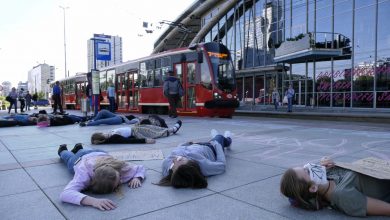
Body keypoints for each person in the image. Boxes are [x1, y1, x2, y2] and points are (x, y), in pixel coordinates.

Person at [280, 157, 390, 217]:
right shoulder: (343, 195)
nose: (309, 165)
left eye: (304, 166)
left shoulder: (327, 175)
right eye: (307, 171)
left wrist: (332, 164)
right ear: (313, 188)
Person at [57, 143, 145, 211]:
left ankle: (78, 148)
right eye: (119, 181)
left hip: (99, 153)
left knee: (80, 152)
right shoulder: (83, 174)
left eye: (119, 178)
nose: (121, 180)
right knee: (68, 157)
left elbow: (140, 167)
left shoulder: (119, 167)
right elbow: (65, 194)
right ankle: (62, 150)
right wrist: (93, 201)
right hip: (79, 158)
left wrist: (137, 177)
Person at [157, 129, 232, 188]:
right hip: (210, 147)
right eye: (181, 160)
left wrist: (186, 144)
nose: (176, 158)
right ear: (192, 163)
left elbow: (176, 151)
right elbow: (222, 165)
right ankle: (228, 139)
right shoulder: (204, 165)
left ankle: (217, 137)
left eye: (173, 164)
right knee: (220, 137)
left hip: (193, 145)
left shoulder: (166, 165)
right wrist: (216, 144)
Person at [91, 120, 182, 145]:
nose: (105, 134)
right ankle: (173, 129)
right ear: (103, 139)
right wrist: (145, 141)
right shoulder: (114, 137)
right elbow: (129, 141)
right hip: (136, 133)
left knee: (154, 128)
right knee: (155, 132)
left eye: (102, 133)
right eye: (103, 136)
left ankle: (171, 129)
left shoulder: (111, 134)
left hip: (135, 128)